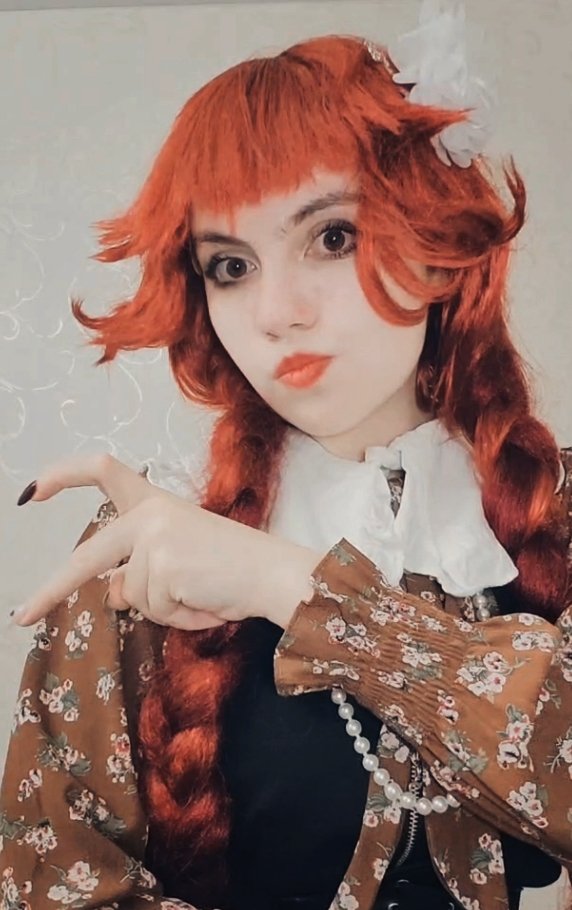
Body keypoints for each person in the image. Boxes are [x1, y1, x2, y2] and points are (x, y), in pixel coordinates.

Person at [1, 7, 571, 910]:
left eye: (331, 237)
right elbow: (49, 881)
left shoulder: (551, 511)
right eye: (230, 266)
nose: (276, 313)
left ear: (435, 243)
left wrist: (293, 588)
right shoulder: (147, 543)